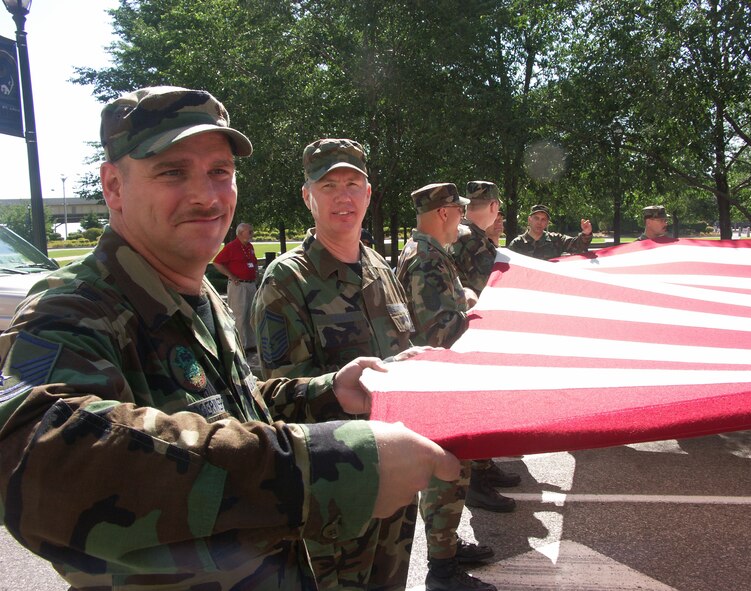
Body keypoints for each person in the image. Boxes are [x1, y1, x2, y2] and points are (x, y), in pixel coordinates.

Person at [0, 87, 460, 591]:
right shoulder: (75, 307)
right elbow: (34, 459)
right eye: (172, 171)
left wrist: (328, 392)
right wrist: (316, 467)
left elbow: (230, 410)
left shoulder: (198, 298)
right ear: (113, 186)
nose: (205, 195)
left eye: (220, 171)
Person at [254, 139, 488, 589]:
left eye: (352, 184)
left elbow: (398, 353)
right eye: (328, 185)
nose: (343, 196)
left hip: (394, 483)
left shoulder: (380, 269)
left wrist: (414, 362)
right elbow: (276, 401)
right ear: (308, 197)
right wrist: (333, 386)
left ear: (368, 193)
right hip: (339, 490)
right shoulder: (288, 280)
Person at [397, 182, 497, 591]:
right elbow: (437, 333)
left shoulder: (431, 254)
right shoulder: (425, 260)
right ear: (443, 213)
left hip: (440, 382)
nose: (463, 217)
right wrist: (479, 316)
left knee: (453, 474)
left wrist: (466, 299)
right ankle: (442, 569)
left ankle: (448, 548)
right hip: (435, 386)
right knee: (446, 476)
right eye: (458, 210)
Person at [449, 182, 520, 513]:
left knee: (483, 404)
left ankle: (483, 465)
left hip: (476, 332)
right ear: (493, 206)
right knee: (475, 407)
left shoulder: (470, 236)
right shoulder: (467, 239)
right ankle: (475, 482)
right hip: (469, 335)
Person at [212, 222, 257, 349]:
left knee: (251, 314)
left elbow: (252, 263)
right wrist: (231, 276)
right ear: (241, 233)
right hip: (239, 286)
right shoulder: (232, 247)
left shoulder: (249, 246)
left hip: (250, 284)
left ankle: (251, 344)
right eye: (250, 232)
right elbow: (217, 262)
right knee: (239, 315)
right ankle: (240, 345)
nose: (252, 234)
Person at [508, 204, 593, 259]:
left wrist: (586, 233)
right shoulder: (517, 244)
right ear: (529, 220)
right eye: (536, 218)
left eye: (543, 219)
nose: (539, 222)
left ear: (547, 223)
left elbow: (578, 246)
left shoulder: (556, 240)